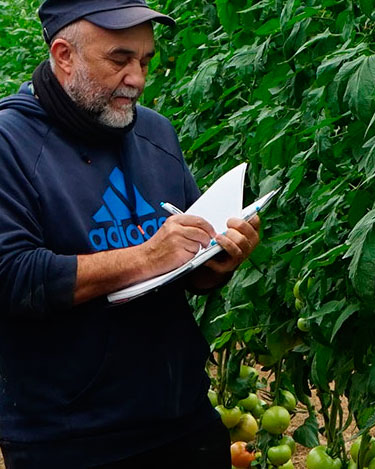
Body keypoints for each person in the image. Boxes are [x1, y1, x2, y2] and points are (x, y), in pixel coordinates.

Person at [0, 1, 261, 467]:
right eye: (119, 60)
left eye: (145, 61)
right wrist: (144, 256)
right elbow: (11, 276)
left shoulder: (155, 133)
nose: (137, 79)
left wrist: (215, 262)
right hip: (70, 439)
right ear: (64, 55)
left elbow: (183, 269)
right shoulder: (10, 144)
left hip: (181, 416)